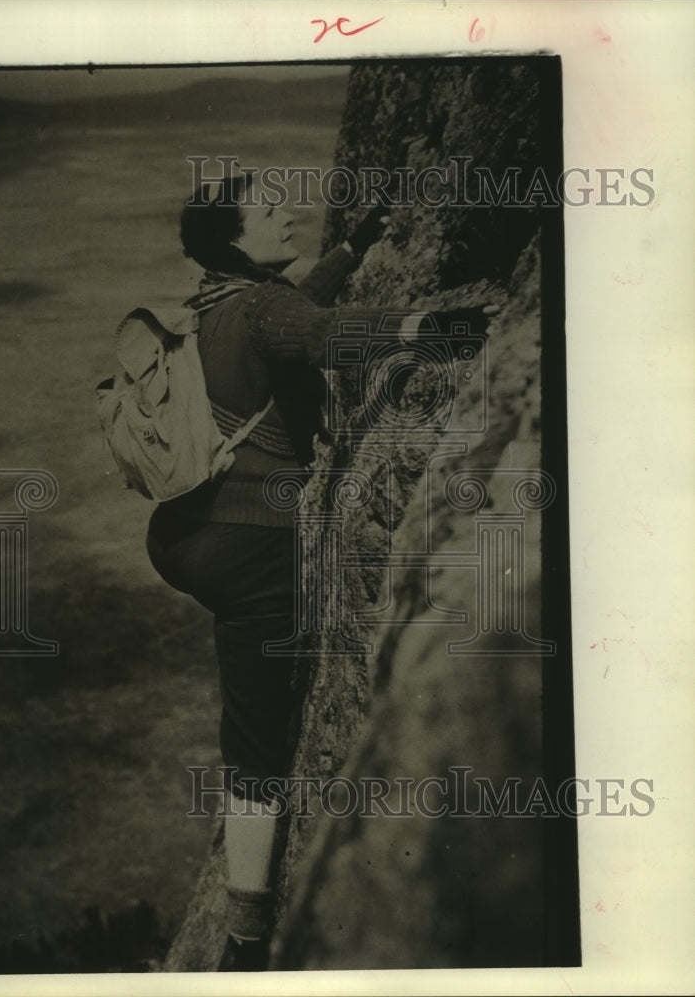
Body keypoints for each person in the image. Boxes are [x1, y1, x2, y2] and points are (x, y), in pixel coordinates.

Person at [145, 167, 490, 965]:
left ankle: (240, 907)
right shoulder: (265, 310)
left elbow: (299, 311)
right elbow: (324, 335)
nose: (286, 214)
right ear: (237, 236)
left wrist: (350, 245)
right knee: (258, 746)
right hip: (254, 552)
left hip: (186, 537)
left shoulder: (217, 299)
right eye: (268, 211)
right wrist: (434, 333)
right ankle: (245, 931)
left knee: (254, 706)